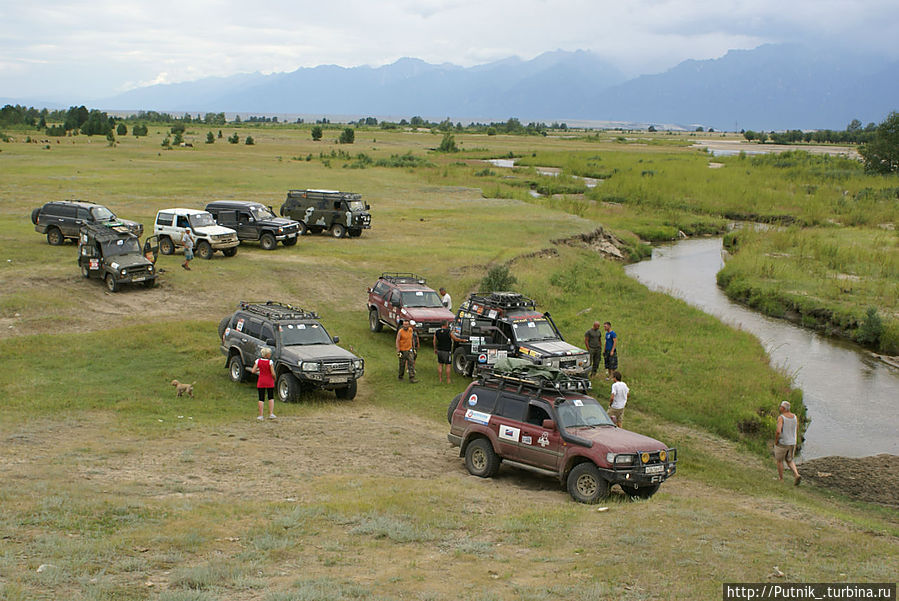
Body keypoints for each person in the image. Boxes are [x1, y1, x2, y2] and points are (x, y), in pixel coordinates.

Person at [774, 401, 801, 485]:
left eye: (780, 406)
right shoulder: (795, 417)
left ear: (783, 408)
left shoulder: (781, 418)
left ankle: (781, 478)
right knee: (789, 460)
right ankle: (796, 474)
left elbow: (778, 431)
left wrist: (776, 441)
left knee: (779, 460)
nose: (779, 408)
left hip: (783, 442)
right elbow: (796, 429)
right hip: (792, 442)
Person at [250, 347, 276, 420]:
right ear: (267, 355)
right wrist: (274, 378)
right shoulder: (270, 362)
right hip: (269, 380)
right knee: (270, 396)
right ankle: (271, 413)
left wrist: (259, 369)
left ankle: (261, 415)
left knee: (261, 398)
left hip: (261, 380)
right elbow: (273, 373)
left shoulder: (258, 361)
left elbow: (253, 371)